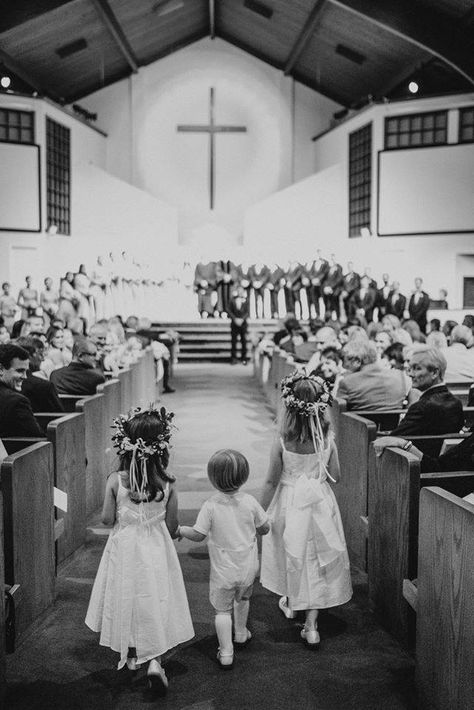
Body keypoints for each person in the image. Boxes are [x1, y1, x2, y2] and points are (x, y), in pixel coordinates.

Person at [85, 406, 194, 692]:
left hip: (124, 546)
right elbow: (172, 527)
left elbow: (107, 520)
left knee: (128, 595)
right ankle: (156, 661)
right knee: (156, 597)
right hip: (156, 546)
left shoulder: (115, 481)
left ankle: (133, 652)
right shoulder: (168, 483)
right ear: (161, 446)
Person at [260, 372, 352, 648]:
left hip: (289, 501)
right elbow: (335, 476)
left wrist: (259, 514)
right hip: (320, 502)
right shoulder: (327, 439)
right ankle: (311, 624)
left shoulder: (282, 441)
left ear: (289, 407)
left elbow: (270, 481)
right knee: (318, 557)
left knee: (293, 552)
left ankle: (292, 601)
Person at [178, 449, 269, 669]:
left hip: (223, 569)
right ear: (245, 476)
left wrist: (181, 529)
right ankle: (240, 633)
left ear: (212, 478)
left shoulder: (211, 505)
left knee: (222, 610)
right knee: (243, 599)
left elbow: (198, 534)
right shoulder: (250, 502)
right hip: (247, 565)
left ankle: (226, 652)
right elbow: (265, 528)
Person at [390, 346, 464, 452]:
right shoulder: (456, 403)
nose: (410, 374)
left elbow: (392, 439)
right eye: (410, 368)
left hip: (417, 464)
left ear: (434, 373)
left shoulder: (421, 408)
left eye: (417, 368)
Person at [337, 340, 415, 410]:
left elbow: (333, 412)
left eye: (343, 360)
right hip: (393, 425)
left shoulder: (347, 383)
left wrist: (338, 378)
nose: (342, 366)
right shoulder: (400, 377)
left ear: (357, 361)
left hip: (357, 425)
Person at [0, 343, 43, 437]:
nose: (25, 377)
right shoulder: (16, 402)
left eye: (26, 371)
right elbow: (38, 440)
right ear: (1, 369)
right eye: (20, 371)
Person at [228, 287, 250, 365]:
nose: (240, 292)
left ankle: (244, 358)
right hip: (234, 324)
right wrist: (235, 319)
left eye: (241, 291)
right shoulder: (232, 300)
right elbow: (229, 310)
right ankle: (233, 358)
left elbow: (247, 312)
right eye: (238, 291)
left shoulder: (246, 300)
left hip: (243, 324)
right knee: (234, 342)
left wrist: (242, 319)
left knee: (244, 342)